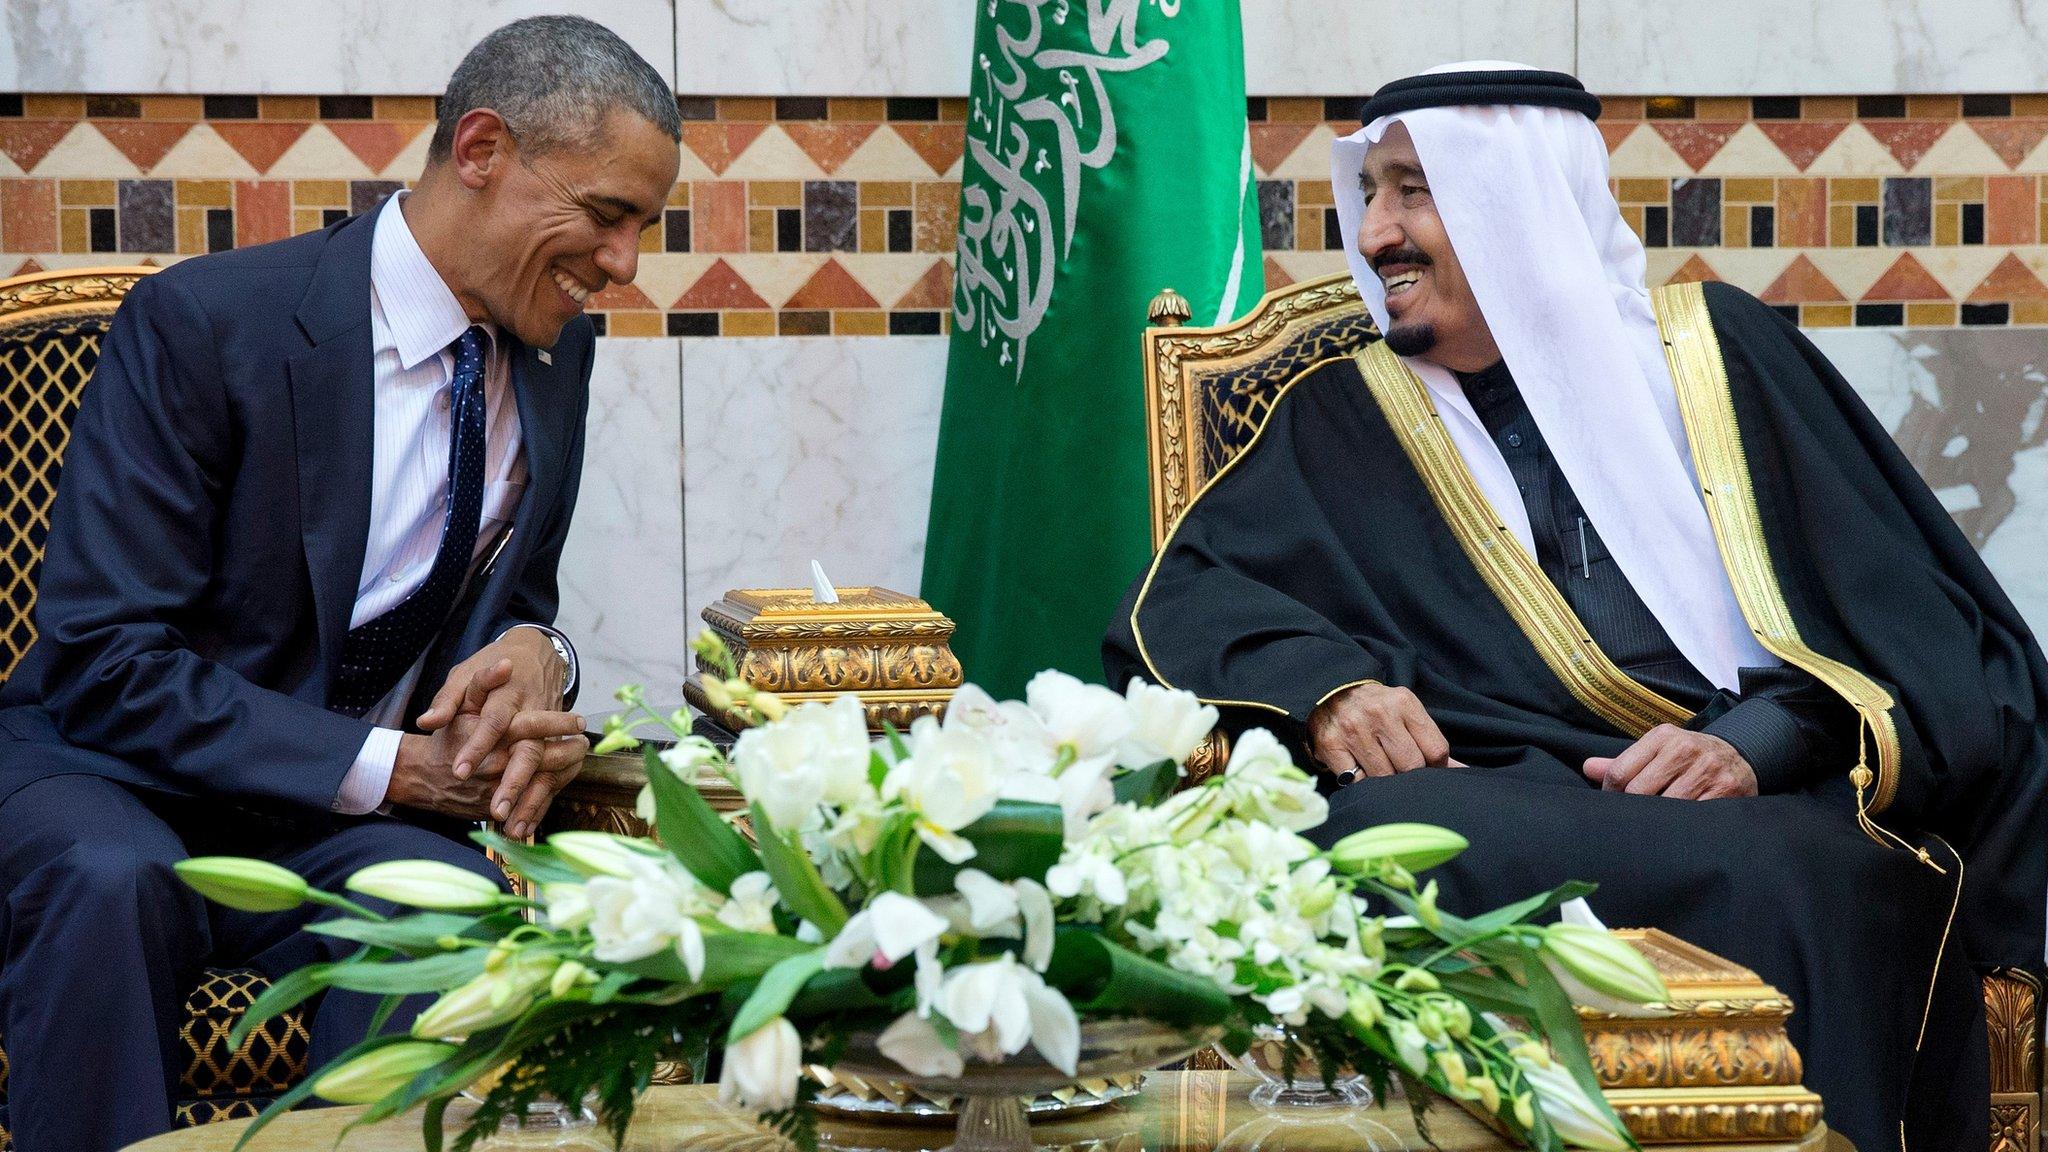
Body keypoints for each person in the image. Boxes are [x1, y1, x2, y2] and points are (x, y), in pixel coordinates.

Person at [1106, 63, 2046, 1148]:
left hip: (1758, 808)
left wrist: (1762, 738)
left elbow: (1923, 627)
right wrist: (1327, 693)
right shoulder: (1341, 415)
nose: (1373, 237)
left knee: (1803, 875)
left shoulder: (1718, 358)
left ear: (1517, 201)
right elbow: (1184, 605)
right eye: (1367, 196)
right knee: (1389, 840)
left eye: (1411, 192)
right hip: (1483, 793)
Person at [0, 17, 681, 1150]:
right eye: (606, 215)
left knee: (441, 904)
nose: (622, 264)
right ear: (480, 150)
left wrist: (539, 658)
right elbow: (103, 658)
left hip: (332, 824)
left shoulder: (555, 345)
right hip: (108, 775)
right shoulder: (208, 326)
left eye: (642, 228)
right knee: (109, 879)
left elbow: (517, 602)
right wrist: (395, 768)